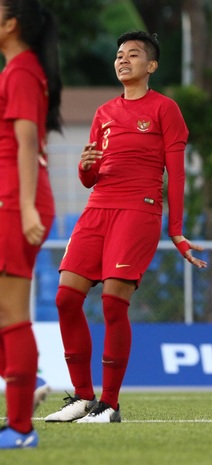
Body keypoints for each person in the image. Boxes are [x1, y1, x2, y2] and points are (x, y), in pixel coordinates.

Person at [44, 31, 207, 424]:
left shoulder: (165, 109)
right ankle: (82, 398)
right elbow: (90, 177)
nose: (123, 60)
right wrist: (86, 166)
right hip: (96, 209)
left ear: (150, 66)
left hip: (138, 211)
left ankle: (110, 404)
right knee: (66, 299)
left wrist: (177, 230)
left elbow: (177, 174)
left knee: (113, 301)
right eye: (119, 55)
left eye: (133, 55)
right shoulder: (103, 113)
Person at [0, 0, 61, 448]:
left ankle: (21, 428)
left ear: (12, 23)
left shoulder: (21, 71)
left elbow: (25, 144)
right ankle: (25, 385)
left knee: (11, 312)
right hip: (10, 199)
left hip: (12, 202)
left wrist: (24, 208)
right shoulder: (18, 70)